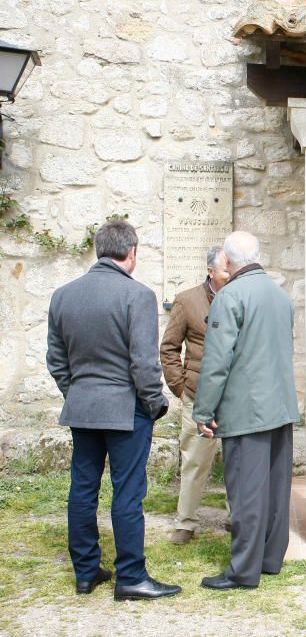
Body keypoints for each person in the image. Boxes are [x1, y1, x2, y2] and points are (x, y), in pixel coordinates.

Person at [46, 219, 180, 601]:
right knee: (128, 493)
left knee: (83, 489)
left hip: (83, 409)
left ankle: (86, 572)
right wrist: (155, 403)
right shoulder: (136, 295)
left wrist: (79, 394)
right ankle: (131, 576)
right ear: (131, 252)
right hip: (127, 411)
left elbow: (56, 360)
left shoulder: (63, 295)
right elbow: (143, 363)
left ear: (99, 249)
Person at [194, 231, 299, 591]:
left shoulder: (230, 297)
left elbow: (216, 362)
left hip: (246, 410)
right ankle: (270, 559)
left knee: (247, 492)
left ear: (226, 259)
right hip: (280, 406)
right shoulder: (280, 296)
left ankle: (243, 570)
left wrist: (203, 410)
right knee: (275, 488)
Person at [160, 245, 231, 545]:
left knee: (238, 461)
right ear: (210, 271)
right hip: (198, 395)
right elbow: (169, 348)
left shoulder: (240, 296)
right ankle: (186, 522)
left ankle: (236, 516)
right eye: (227, 269)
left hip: (234, 396)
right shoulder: (187, 300)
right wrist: (180, 386)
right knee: (194, 462)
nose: (232, 273)